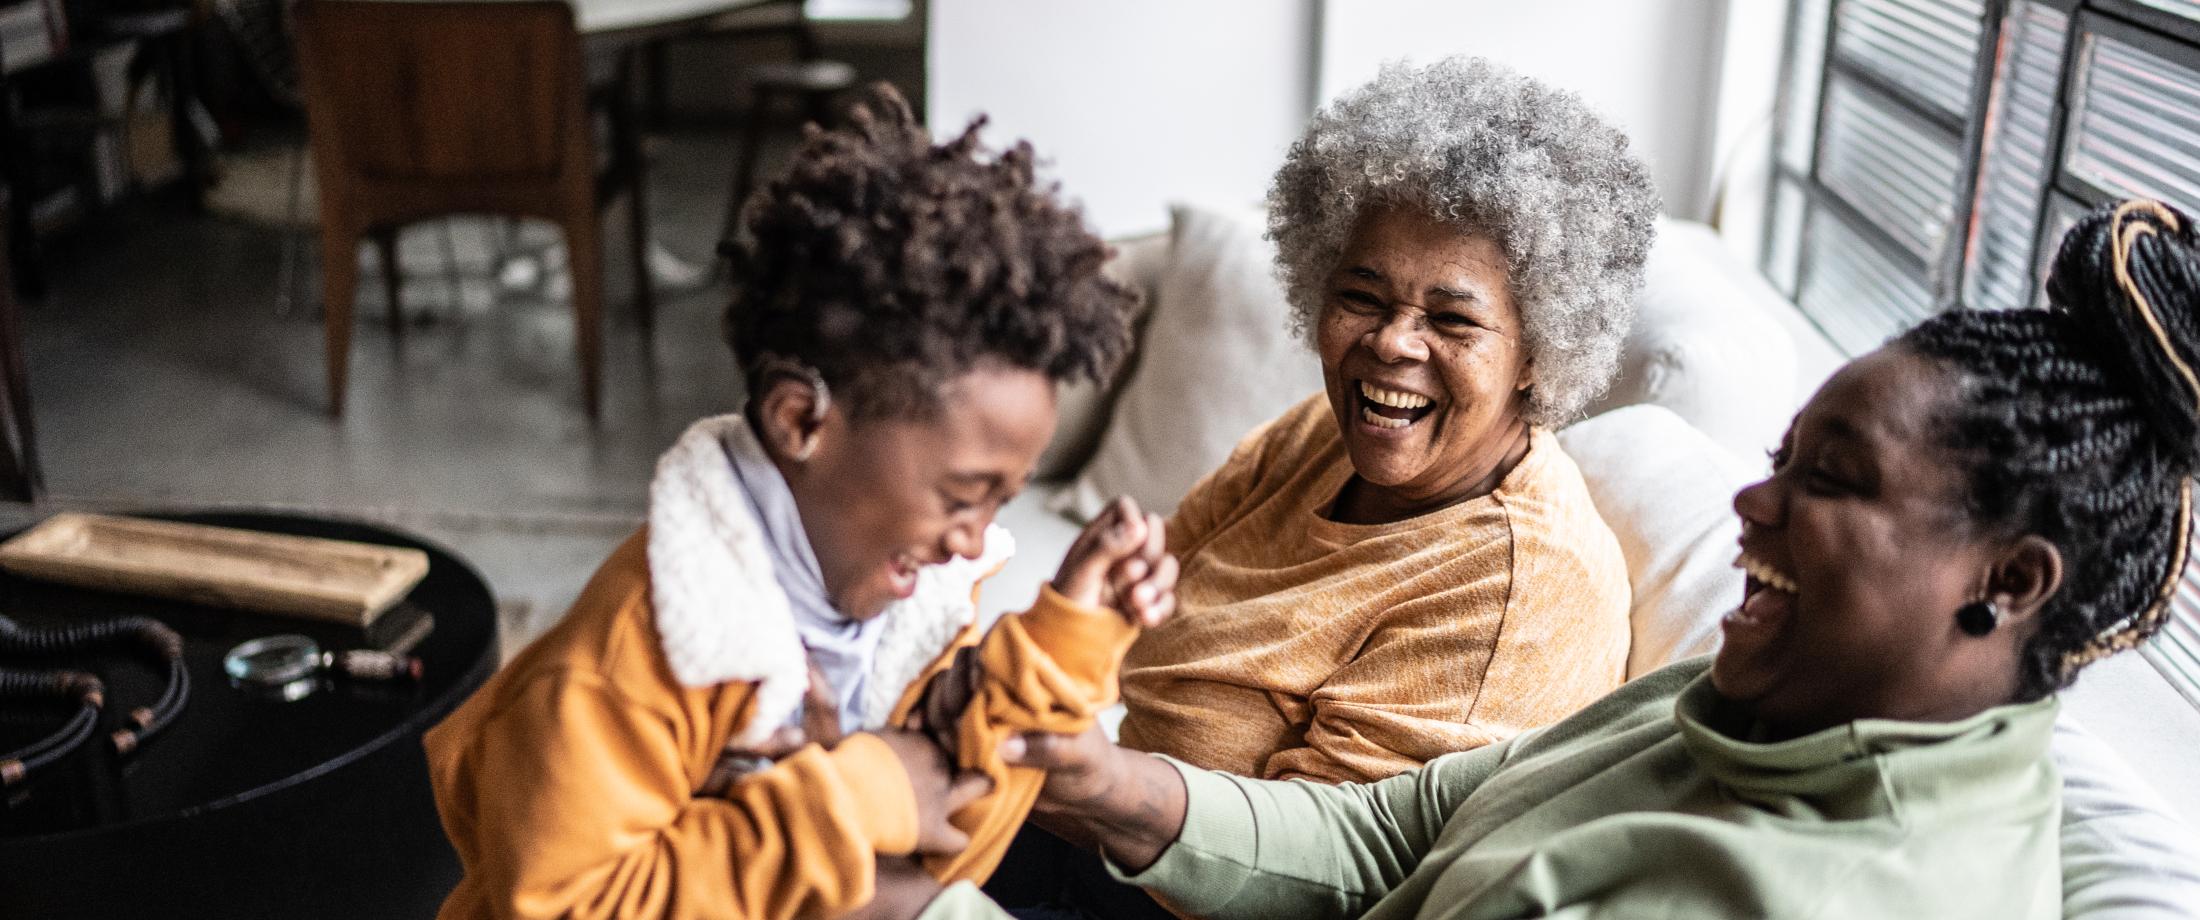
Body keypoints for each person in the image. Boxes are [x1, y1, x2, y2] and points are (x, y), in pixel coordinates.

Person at [886, 197, 2200, 919]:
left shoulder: (1829, 887)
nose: (1753, 505)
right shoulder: (1760, 703)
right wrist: (1104, 783)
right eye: (1784, 455)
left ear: (2010, 582)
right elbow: (1404, 826)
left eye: (1832, 482)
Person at [421, 85, 1179, 920]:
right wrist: (858, 796)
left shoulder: (908, 611)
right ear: (799, 419)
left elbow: (946, 857)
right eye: (963, 497)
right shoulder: (625, 664)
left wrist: (1057, 650)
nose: (974, 543)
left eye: (1002, 500)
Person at [1110, 57, 1659, 786]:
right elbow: (1129, 604)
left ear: (1538, 353)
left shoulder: (1519, 598)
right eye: (1363, 297)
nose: (1392, 342)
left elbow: (1311, 870)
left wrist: (1063, 781)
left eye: (1452, 318)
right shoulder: (1321, 434)